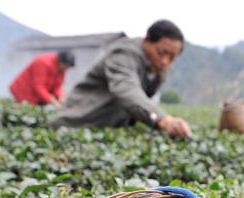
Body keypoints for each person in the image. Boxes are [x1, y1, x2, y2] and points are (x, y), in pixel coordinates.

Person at [50, 20, 191, 138]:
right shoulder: (123, 53)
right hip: (78, 123)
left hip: (108, 128)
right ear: (147, 40)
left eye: (172, 58)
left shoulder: (157, 70)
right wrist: (163, 119)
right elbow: (126, 89)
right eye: (162, 53)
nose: (165, 62)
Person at [10, 50, 75, 107]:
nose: (66, 69)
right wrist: (53, 101)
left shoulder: (62, 69)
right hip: (24, 91)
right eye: (66, 66)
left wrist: (61, 97)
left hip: (37, 96)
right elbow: (38, 86)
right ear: (60, 61)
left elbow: (57, 86)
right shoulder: (43, 62)